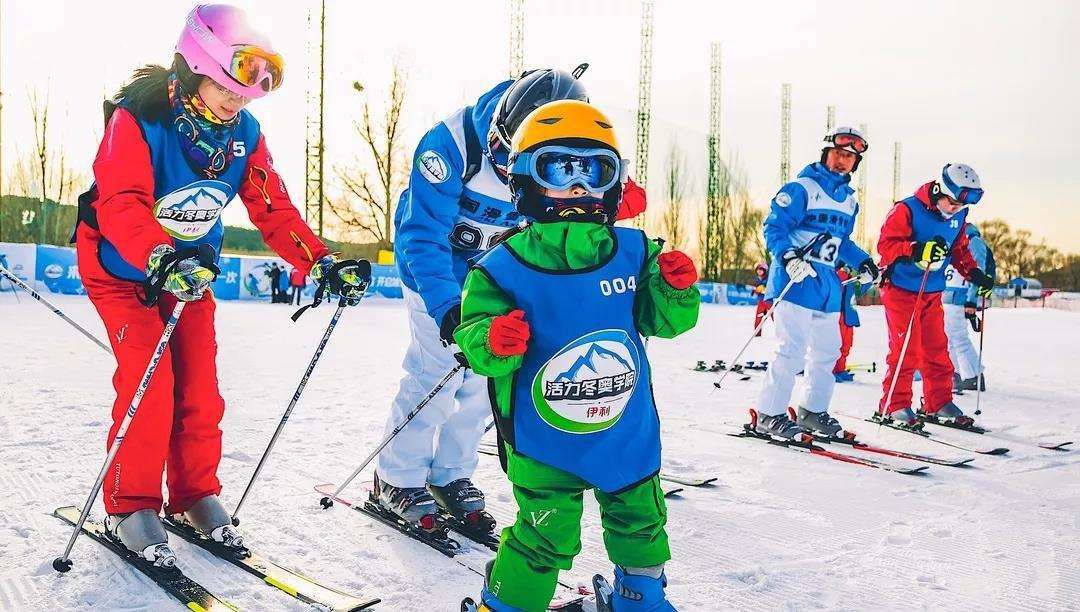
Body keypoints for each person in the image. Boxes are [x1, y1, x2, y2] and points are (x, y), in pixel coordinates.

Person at [72, 4, 370, 566]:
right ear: (192, 69)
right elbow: (121, 203)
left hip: (189, 274)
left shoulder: (244, 135)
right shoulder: (137, 121)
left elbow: (273, 209)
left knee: (200, 387)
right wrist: (158, 256)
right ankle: (129, 504)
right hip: (121, 268)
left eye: (247, 93)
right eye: (227, 87)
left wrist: (321, 261)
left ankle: (193, 494)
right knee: (151, 383)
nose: (238, 101)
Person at [375, 66, 646, 527]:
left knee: (493, 376)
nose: (503, 164)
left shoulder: (567, 161)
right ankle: (396, 476)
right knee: (435, 370)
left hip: (499, 276)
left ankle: (451, 472)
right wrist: (448, 310)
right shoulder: (451, 145)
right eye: (500, 149)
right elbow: (423, 236)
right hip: (435, 269)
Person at [456, 100, 698, 612]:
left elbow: (666, 322)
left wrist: (673, 288)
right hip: (545, 440)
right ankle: (509, 603)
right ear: (526, 176)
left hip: (623, 432)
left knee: (641, 520)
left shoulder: (634, 252)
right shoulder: (503, 269)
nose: (580, 186)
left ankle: (641, 597)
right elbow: (476, 338)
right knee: (545, 537)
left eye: (595, 170)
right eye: (560, 168)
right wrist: (492, 339)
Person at [753, 127, 879, 440]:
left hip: (827, 284)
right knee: (791, 349)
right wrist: (788, 257)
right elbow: (774, 228)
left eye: (850, 157)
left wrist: (863, 261)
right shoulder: (802, 188)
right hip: (796, 278)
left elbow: (842, 242)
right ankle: (769, 413)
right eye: (838, 154)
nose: (842, 161)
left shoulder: (849, 200)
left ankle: (812, 410)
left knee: (828, 352)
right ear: (826, 153)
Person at [874, 163, 995, 429]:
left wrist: (975, 274)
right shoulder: (906, 209)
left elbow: (960, 250)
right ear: (939, 189)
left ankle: (938, 402)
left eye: (960, 206)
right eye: (951, 202)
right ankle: (894, 405)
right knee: (907, 349)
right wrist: (917, 250)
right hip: (901, 289)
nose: (954, 209)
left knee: (937, 349)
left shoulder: (958, 217)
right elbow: (885, 246)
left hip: (931, 291)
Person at [943, 223, 995, 391]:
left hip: (960, 296)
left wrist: (971, 301)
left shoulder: (973, 242)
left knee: (955, 338)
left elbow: (976, 272)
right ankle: (965, 376)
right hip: (950, 294)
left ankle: (963, 376)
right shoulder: (955, 242)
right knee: (952, 338)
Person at [751, 261, 770, 336]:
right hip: (761, 301)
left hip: (769, 301)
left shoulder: (768, 279)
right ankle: (757, 332)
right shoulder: (757, 279)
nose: (759, 271)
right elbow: (756, 288)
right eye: (758, 270)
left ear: (764, 271)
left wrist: (761, 289)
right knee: (758, 316)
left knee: (775, 316)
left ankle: (781, 332)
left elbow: (767, 288)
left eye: (761, 269)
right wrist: (754, 291)